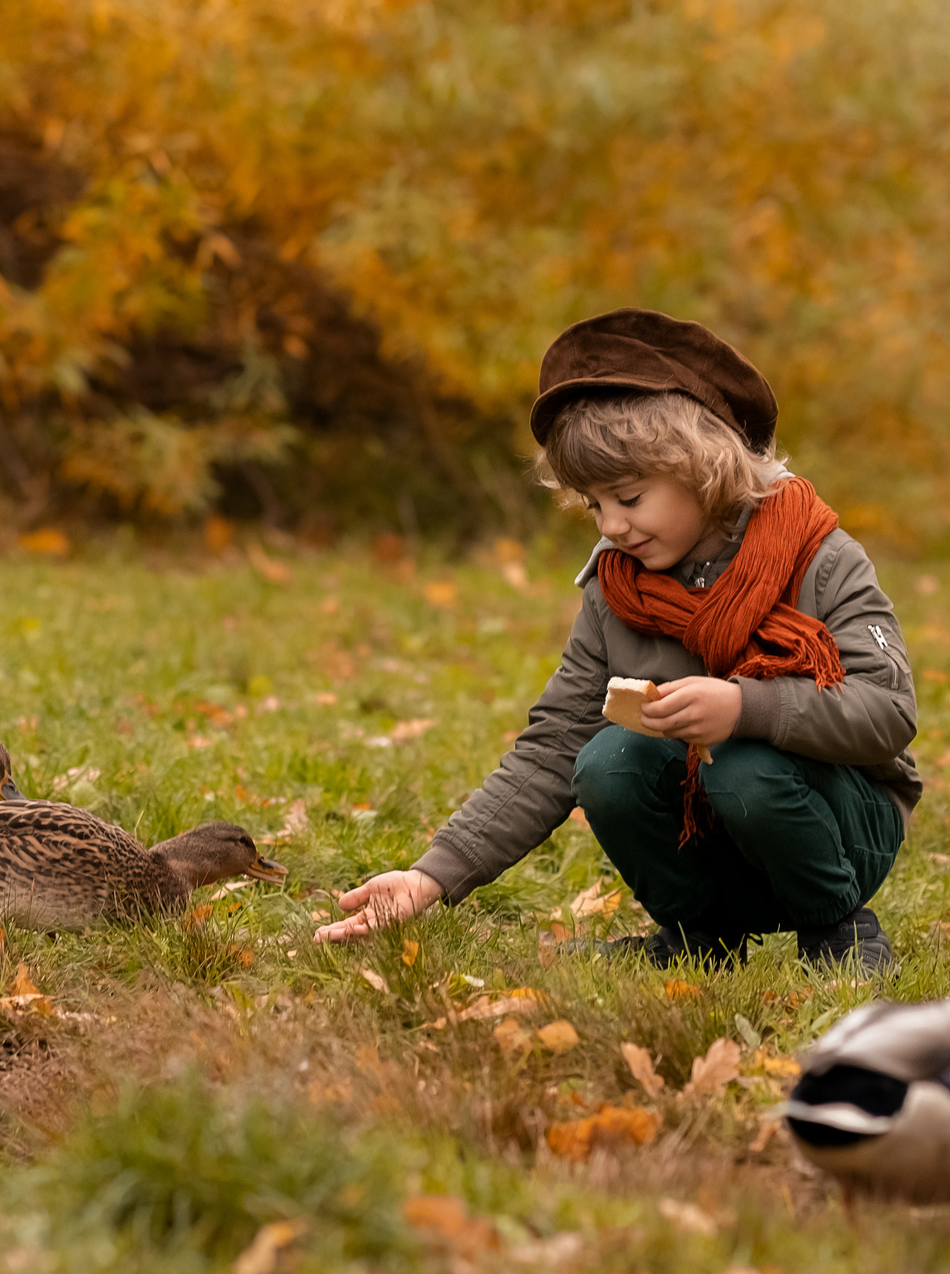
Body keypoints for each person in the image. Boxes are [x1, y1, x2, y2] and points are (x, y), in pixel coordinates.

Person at [312, 309, 919, 971]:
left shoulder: (821, 557)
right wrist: (432, 876)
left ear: (705, 469)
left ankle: (837, 929)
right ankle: (701, 937)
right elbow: (553, 746)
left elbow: (888, 712)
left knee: (743, 763)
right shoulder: (617, 588)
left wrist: (748, 707)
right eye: (594, 504)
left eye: (628, 498)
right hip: (714, 835)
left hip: (840, 826)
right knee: (607, 761)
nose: (611, 526)